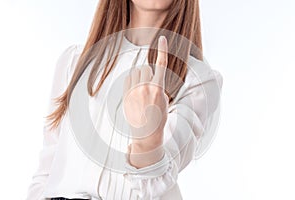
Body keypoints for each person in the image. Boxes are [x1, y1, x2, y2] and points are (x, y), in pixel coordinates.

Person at [26, 0, 223, 199]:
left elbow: (158, 183)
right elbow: (46, 171)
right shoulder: (74, 61)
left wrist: (147, 140)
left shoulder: (197, 80)